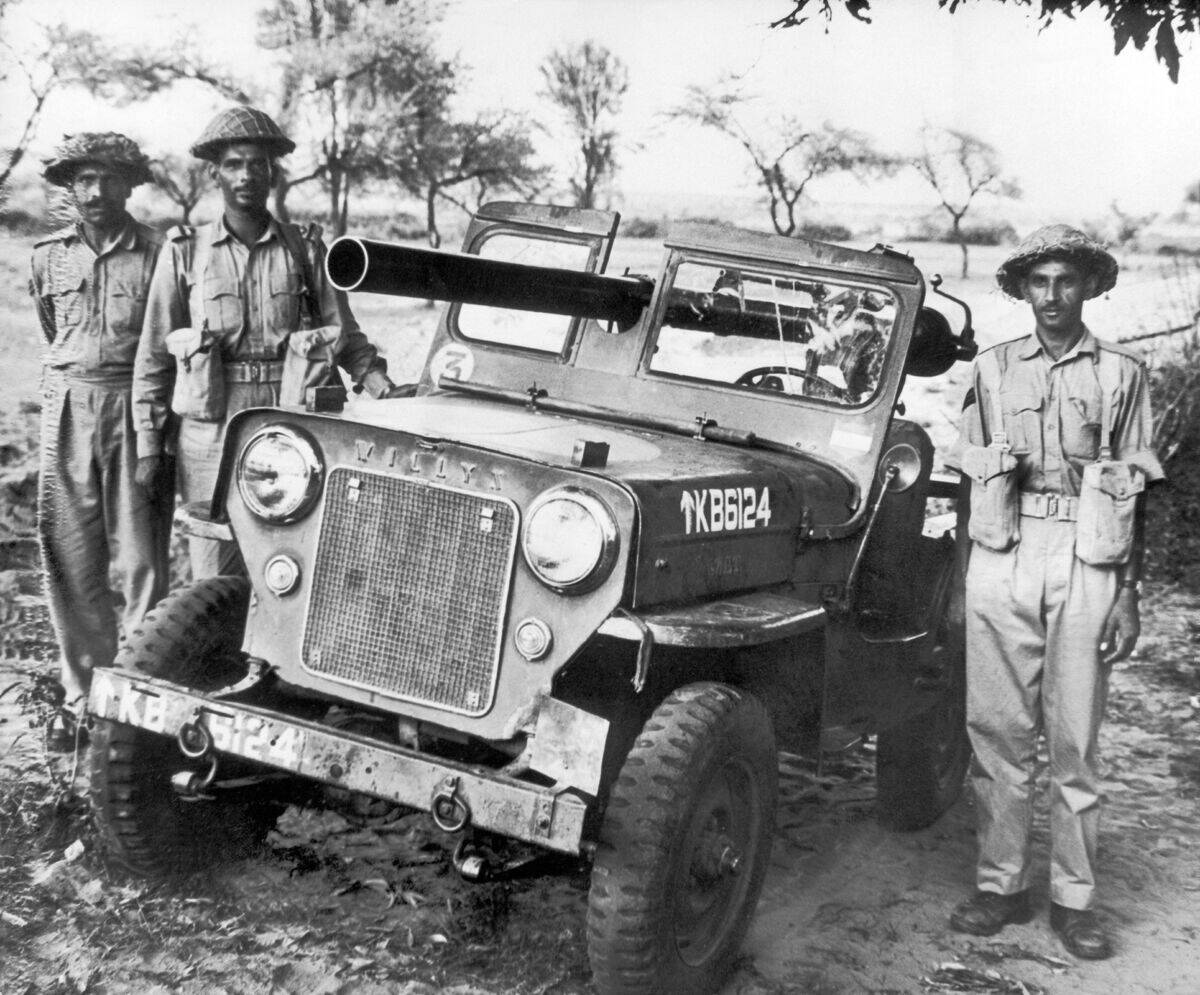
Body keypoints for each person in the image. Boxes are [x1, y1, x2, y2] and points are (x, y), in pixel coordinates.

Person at [947, 225, 1164, 960]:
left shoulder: (1122, 374)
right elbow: (967, 477)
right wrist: (962, 579)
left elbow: (1139, 483)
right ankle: (1000, 884)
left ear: (1088, 287)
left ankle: (1074, 900)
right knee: (997, 733)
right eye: (1038, 282)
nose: (1052, 295)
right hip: (1003, 550)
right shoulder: (992, 368)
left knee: (1075, 739)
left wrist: (1129, 593)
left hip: (1088, 553)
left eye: (1065, 280)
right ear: (1022, 290)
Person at [133, 106, 409, 578]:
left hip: (291, 414)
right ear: (214, 173)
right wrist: (147, 446)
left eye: (257, 164)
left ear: (272, 174)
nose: (246, 176)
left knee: (292, 557)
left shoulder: (304, 249)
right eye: (233, 165)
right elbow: (155, 357)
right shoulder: (184, 252)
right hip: (211, 427)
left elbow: (343, 334)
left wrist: (384, 389)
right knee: (214, 568)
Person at [29, 133, 172, 751]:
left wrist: (152, 432)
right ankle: (83, 694)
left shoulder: (160, 253)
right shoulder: (47, 257)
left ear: (129, 185)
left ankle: (138, 698)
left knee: (142, 558)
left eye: (109, 178)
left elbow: (163, 346)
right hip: (67, 406)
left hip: (132, 406)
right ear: (70, 186)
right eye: (84, 179)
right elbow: (51, 331)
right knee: (68, 553)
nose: (96, 191)